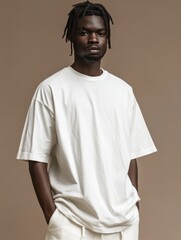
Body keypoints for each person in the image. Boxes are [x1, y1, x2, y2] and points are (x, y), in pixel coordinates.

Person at [17, 1, 157, 240]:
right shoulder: (51, 89)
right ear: (72, 36)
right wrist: (53, 217)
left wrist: (134, 205)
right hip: (72, 223)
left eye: (100, 33)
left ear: (107, 38)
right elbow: (35, 158)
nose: (94, 38)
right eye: (85, 32)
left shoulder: (123, 91)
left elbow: (131, 154)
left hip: (124, 224)